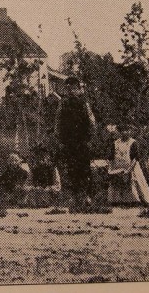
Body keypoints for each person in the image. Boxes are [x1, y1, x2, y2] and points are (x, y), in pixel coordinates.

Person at [54, 76, 96, 209]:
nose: (71, 91)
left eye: (73, 88)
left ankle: (86, 197)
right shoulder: (63, 103)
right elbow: (58, 122)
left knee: (84, 169)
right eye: (68, 89)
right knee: (70, 169)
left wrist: (90, 139)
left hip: (82, 142)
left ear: (79, 89)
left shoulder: (84, 103)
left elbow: (92, 122)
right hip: (68, 142)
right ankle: (73, 197)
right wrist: (60, 139)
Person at [106, 124, 149, 206]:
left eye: (127, 130)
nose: (125, 132)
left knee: (136, 183)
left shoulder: (133, 143)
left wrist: (129, 170)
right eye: (122, 131)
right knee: (117, 184)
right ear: (119, 132)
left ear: (130, 132)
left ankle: (142, 201)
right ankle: (117, 202)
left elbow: (135, 158)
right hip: (118, 168)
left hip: (132, 167)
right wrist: (110, 168)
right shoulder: (115, 143)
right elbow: (110, 157)